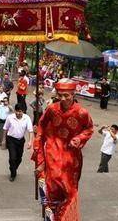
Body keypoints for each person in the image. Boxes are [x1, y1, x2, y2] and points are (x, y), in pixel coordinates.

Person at [32, 78, 94, 221]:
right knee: (53, 186)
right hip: (53, 151)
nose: (63, 98)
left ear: (74, 94)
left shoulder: (82, 113)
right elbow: (41, 126)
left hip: (71, 155)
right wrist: (38, 151)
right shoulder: (52, 109)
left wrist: (79, 138)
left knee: (69, 189)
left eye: (67, 95)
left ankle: (65, 216)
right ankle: (52, 214)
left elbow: (89, 129)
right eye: (60, 95)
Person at [3, 104, 33, 182]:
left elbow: (30, 130)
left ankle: (13, 168)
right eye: (17, 111)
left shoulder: (27, 118)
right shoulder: (10, 118)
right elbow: (5, 129)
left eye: (20, 111)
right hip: (11, 139)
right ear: (15, 111)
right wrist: (4, 141)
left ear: (23, 111)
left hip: (20, 140)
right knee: (12, 158)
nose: (18, 113)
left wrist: (30, 141)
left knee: (19, 158)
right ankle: (13, 174)